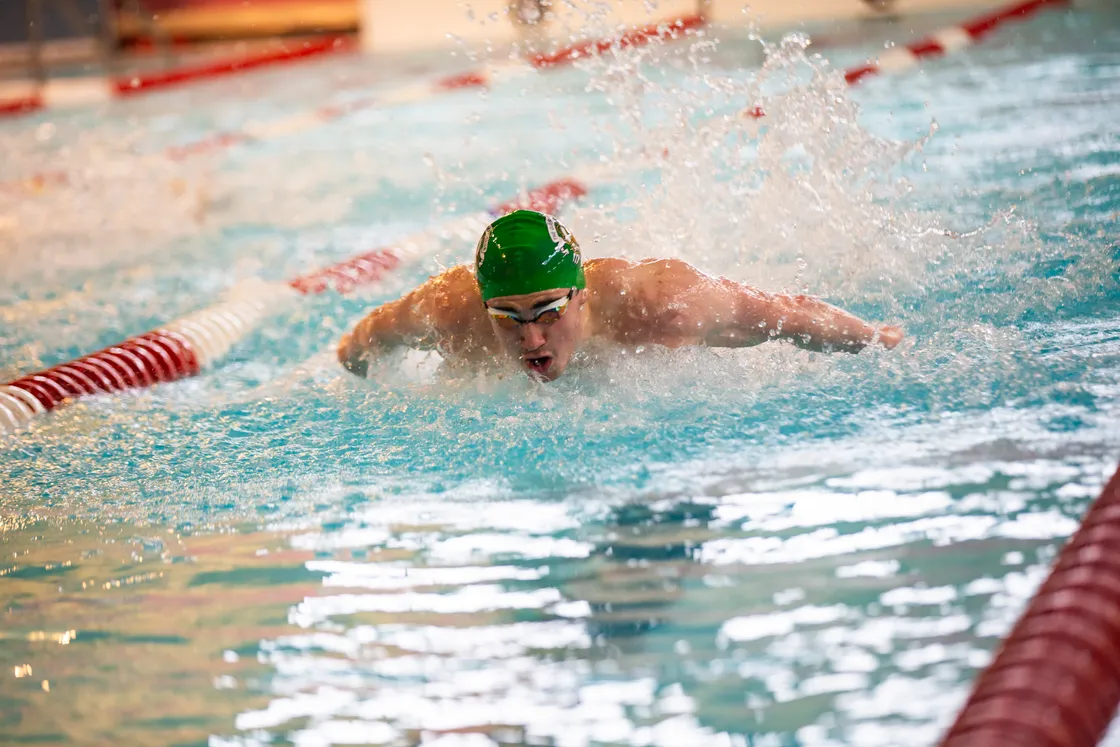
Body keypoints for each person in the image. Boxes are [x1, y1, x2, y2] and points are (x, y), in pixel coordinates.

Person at [338, 210, 903, 381]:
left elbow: (786, 314)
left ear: (580, 294)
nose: (530, 336)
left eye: (548, 311)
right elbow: (366, 337)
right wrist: (353, 362)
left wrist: (879, 342)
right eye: (507, 317)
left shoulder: (658, 304)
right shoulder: (449, 310)